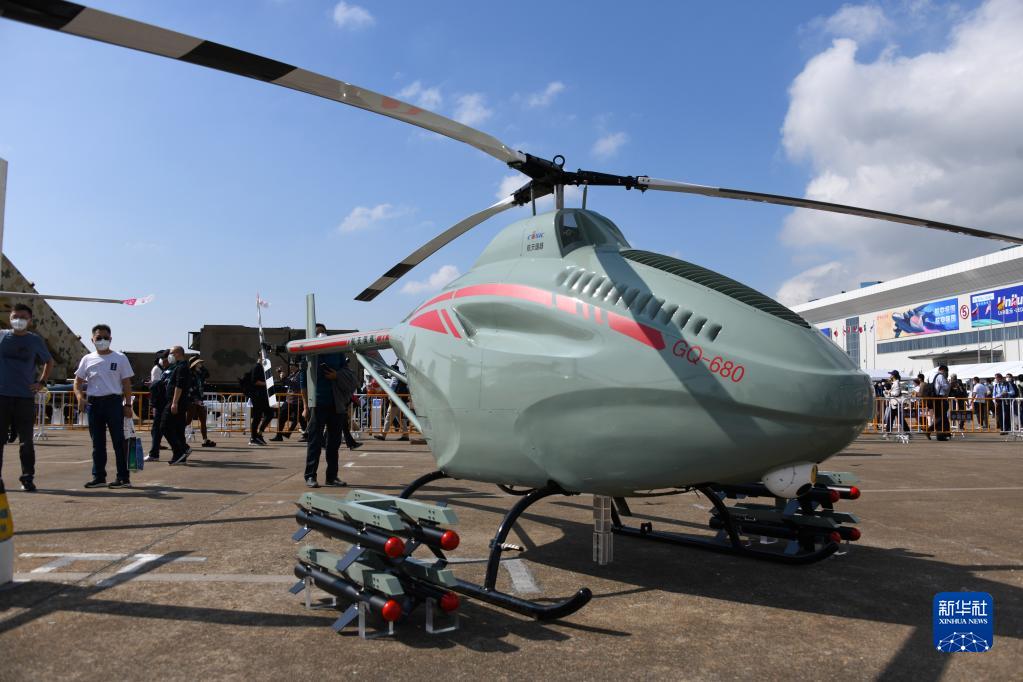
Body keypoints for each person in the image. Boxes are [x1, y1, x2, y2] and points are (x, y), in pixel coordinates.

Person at [0, 304, 54, 492]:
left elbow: (49, 361)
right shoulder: (1, 336)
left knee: (27, 442)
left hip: (24, 397)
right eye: (15, 316)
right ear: (9, 318)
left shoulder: (35, 340)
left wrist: (41, 382)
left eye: (23, 317)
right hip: (2, 396)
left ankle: (27, 478)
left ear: (30, 321)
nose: (19, 320)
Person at [74, 324, 134, 488]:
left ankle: (123, 477)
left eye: (105, 338)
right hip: (94, 404)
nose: (102, 340)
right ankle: (99, 477)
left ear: (111, 339)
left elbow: (126, 383)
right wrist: (80, 397)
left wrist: (128, 405)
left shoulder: (120, 358)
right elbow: (77, 382)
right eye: (98, 338)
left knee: (118, 441)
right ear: (92, 340)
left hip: (113, 402)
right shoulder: (87, 359)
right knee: (97, 443)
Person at [301, 323, 352, 488]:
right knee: (314, 442)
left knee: (334, 443)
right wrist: (305, 406)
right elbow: (303, 382)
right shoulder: (308, 354)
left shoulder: (337, 352)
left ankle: (332, 476)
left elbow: (348, 372)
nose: (320, 335)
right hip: (317, 403)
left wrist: (336, 375)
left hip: (336, 403)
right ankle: (310, 476)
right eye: (317, 332)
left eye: (322, 332)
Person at [161, 346, 193, 465]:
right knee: (178, 429)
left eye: (171, 353)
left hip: (176, 402)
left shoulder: (182, 367)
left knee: (164, 426)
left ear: (178, 353)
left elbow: (179, 386)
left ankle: (178, 452)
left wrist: (174, 402)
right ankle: (183, 451)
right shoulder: (179, 366)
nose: (169, 356)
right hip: (179, 402)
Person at [185, 357, 216, 448]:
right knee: (188, 420)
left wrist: (201, 367)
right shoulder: (190, 374)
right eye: (199, 363)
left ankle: (205, 440)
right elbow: (189, 388)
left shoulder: (199, 373)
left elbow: (207, 374)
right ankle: (178, 437)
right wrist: (194, 399)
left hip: (200, 399)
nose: (201, 364)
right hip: (192, 400)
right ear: (194, 364)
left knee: (203, 419)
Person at [145, 350, 169, 461]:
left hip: (164, 402)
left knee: (161, 427)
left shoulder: (167, 370)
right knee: (158, 427)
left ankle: (182, 448)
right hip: (159, 402)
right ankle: (155, 451)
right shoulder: (157, 369)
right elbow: (156, 387)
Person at [245, 358, 273, 446]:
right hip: (257, 396)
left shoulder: (262, 368)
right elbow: (254, 381)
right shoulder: (257, 367)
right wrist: (267, 383)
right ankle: (253, 438)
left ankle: (259, 434)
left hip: (262, 396)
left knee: (269, 414)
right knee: (257, 417)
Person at [932, 364, 950, 441]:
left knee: (941, 416)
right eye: (946, 372)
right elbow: (945, 387)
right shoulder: (940, 376)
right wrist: (948, 383)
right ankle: (933, 430)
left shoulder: (934, 375)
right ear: (943, 370)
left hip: (936, 398)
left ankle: (943, 434)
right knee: (941, 416)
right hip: (940, 398)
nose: (946, 373)